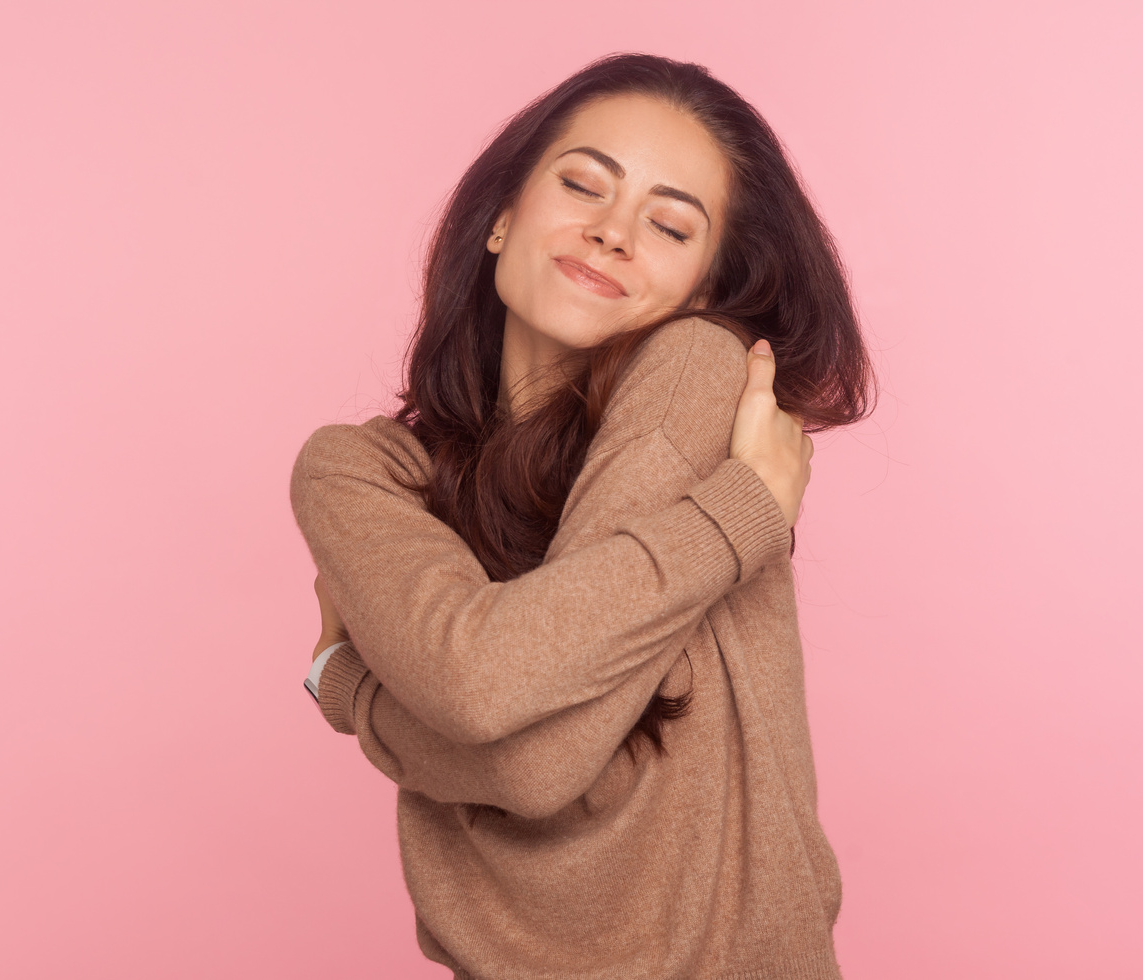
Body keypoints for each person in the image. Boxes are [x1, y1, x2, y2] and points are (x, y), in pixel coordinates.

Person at [291, 52, 874, 979]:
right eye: (581, 186)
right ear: (499, 218)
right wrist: (736, 517)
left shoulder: (694, 369)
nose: (611, 234)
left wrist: (350, 684)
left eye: (669, 225)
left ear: (700, 289)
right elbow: (491, 698)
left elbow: (528, 759)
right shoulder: (360, 472)